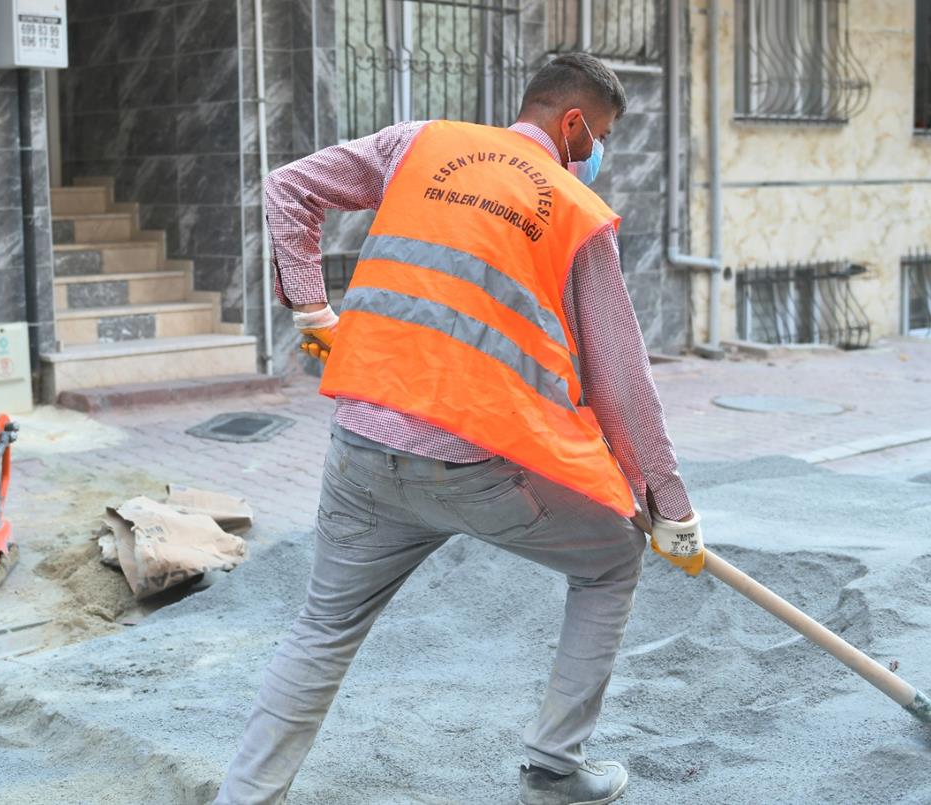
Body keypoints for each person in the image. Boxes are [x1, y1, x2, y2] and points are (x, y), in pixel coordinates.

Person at [217, 52, 704, 805]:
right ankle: (554, 765)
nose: (595, 155)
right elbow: (620, 377)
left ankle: (245, 798)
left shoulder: (418, 143)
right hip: (479, 464)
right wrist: (668, 505)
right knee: (611, 559)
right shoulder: (574, 212)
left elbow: (289, 187)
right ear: (573, 123)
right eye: (598, 136)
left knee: (322, 628)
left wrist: (312, 308)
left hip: (364, 448)